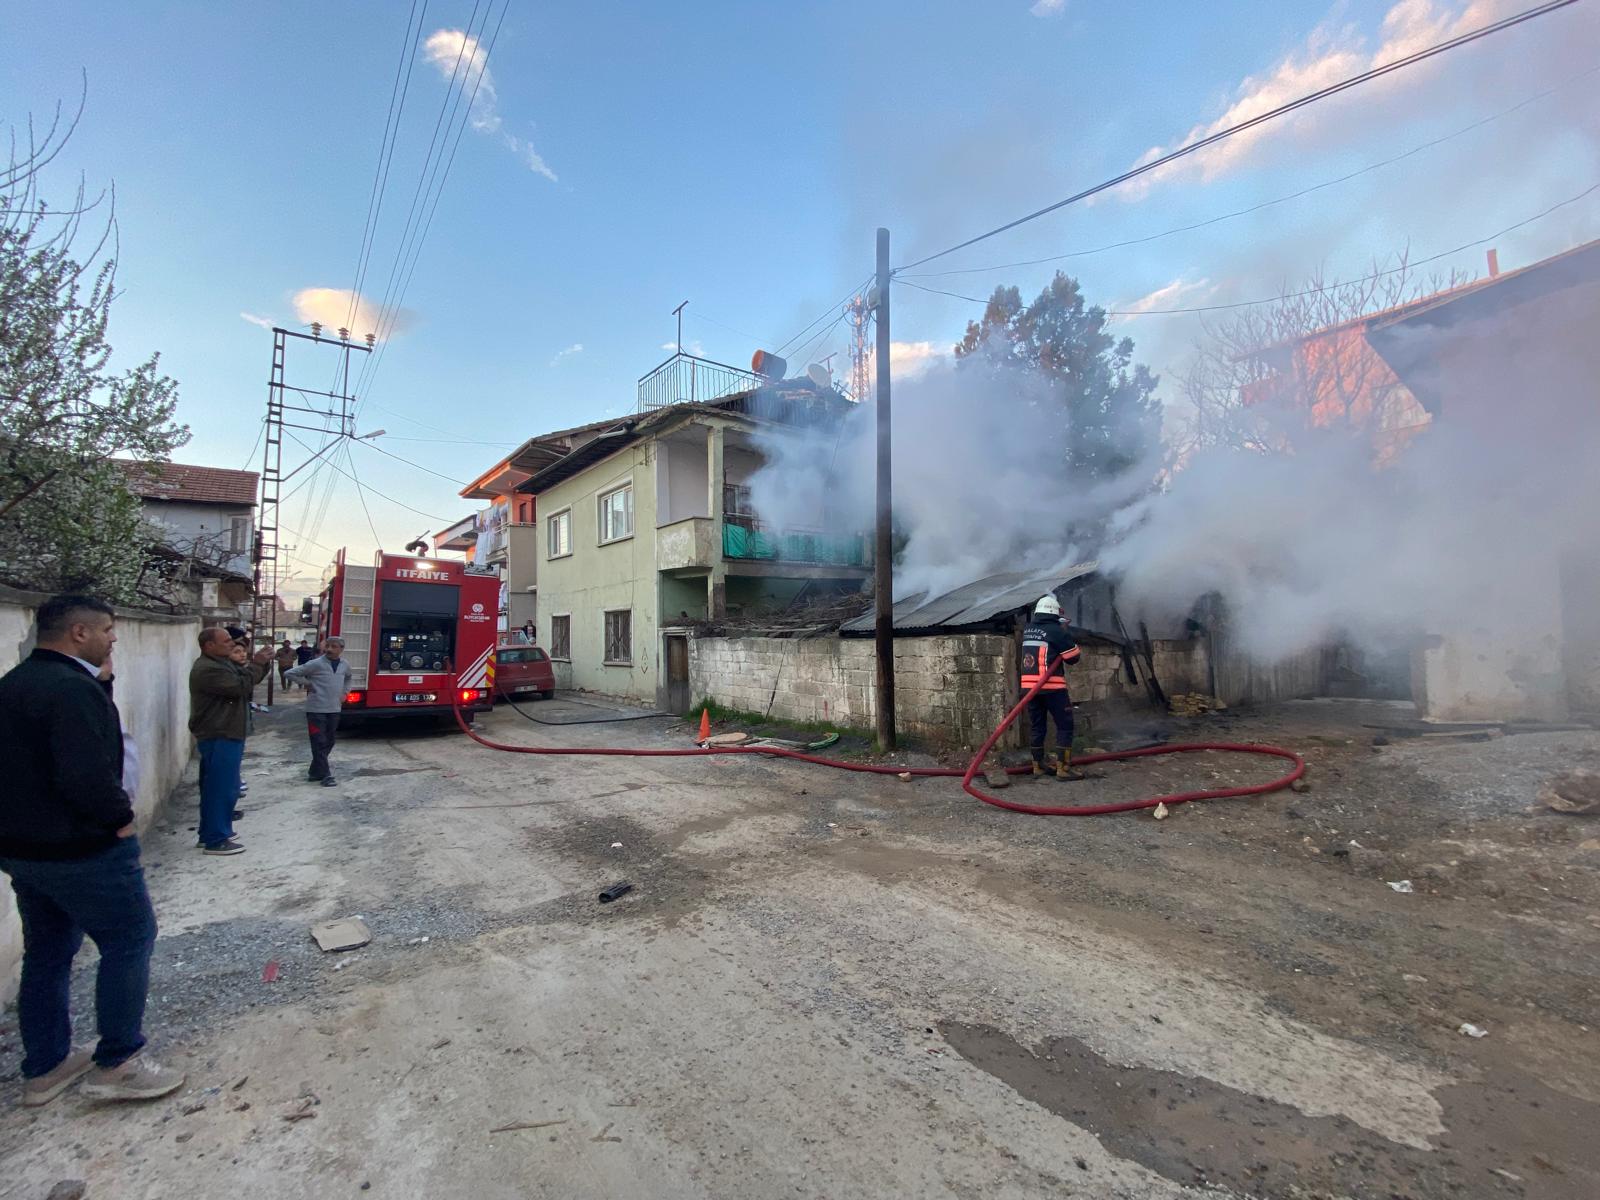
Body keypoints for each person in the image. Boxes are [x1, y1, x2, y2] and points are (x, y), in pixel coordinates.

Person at [0, 594, 186, 1105]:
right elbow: (85, 774)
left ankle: (45, 1068)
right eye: (107, 628)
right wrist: (120, 821)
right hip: (81, 849)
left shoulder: (15, 684)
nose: (114, 637)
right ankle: (119, 1062)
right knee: (130, 939)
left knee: (49, 951)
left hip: (24, 851)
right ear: (78, 633)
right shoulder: (70, 690)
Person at [188, 627, 272, 854]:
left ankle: (210, 833)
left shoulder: (221, 663)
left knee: (220, 786)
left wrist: (262, 664)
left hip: (225, 732)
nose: (230, 644)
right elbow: (241, 686)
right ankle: (217, 839)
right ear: (209, 646)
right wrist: (257, 662)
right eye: (225, 641)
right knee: (221, 788)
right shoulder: (208, 669)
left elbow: (247, 678)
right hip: (220, 734)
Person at [1019, 594, 1083, 779]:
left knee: (1037, 726)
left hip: (1029, 689)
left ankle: (1037, 766)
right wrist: (1065, 634)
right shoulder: (1056, 630)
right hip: (1052, 687)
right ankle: (1063, 769)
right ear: (1055, 614)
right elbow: (1073, 658)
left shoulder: (1028, 629)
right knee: (1065, 725)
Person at [285, 637, 348, 787]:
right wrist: (307, 683)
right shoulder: (316, 664)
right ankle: (326, 775)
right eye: (328, 646)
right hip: (316, 710)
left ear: (341, 649)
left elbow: (349, 678)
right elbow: (290, 673)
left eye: (334, 646)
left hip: (334, 709)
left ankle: (315, 772)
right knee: (318, 741)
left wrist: (345, 692)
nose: (330, 649)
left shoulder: (345, 665)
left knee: (329, 741)